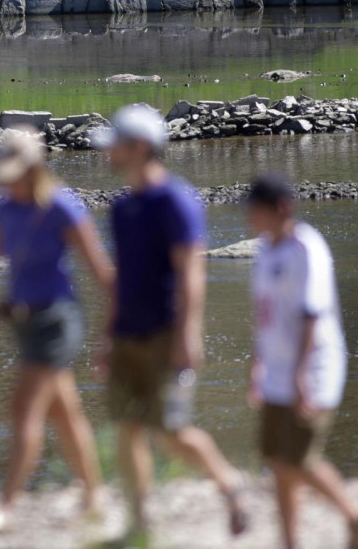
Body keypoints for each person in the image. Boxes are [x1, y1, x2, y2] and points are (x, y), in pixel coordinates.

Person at [0, 129, 113, 531]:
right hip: (24, 321)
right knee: (65, 414)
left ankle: (5, 507)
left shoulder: (62, 207)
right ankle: (94, 497)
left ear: (34, 167)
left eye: (15, 172)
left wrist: (112, 330)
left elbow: (100, 272)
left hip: (57, 321)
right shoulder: (6, 209)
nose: (7, 179)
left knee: (23, 410)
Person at [91, 104, 248, 543]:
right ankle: (139, 526)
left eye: (115, 146)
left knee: (171, 432)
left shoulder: (176, 200)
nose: (108, 154)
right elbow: (121, 276)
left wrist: (188, 334)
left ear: (140, 148)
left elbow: (190, 272)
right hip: (126, 336)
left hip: (165, 334)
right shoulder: (122, 207)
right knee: (127, 429)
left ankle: (229, 484)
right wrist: (106, 334)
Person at [245, 175, 358, 549]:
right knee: (277, 461)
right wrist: (256, 367)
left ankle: (355, 517)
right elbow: (263, 316)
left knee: (297, 460)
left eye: (256, 211)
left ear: (281, 208)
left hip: (314, 370)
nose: (250, 218)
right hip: (276, 371)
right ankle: (289, 540)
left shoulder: (307, 247)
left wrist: (301, 377)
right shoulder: (266, 250)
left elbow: (312, 315)